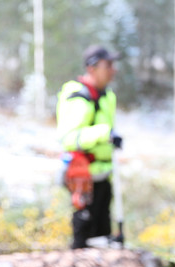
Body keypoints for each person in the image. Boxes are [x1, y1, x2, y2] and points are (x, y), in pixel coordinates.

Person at [57, 45, 122, 249]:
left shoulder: (107, 96)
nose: (113, 70)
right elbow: (69, 138)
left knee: (102, 235)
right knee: (84, 238)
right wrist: (105, 133)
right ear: (92, 67)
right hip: (84, 177)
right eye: (108, 65)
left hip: (104, 175)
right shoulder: (79, 97)